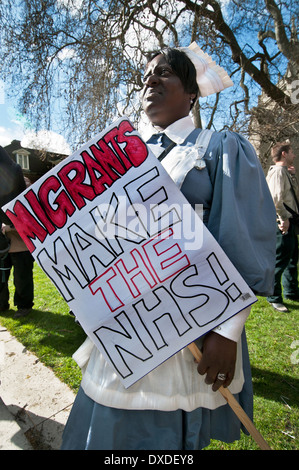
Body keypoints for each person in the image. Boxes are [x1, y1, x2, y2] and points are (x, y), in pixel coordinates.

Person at [61, 43, 276, 450]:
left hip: (192, 325)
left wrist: (227, 332)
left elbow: (241, 238)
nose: (152, 81)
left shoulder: (221, 147)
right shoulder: (120, 158)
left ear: (191, 92)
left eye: (165, 73)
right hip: (126, 322)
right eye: (146, 76)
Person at [0, 147, 34, 317]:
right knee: (2, 277)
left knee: (22, 279)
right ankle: (1, 304)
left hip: (20, 243)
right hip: (4, 243)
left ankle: (24, 306)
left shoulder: (23, 185)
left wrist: (10, 226)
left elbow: (26, 213)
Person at [266, 142, 299, 312]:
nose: (294, 154)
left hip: (290, 220)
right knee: (280, 260)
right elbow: (276, 199)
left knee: (292, 259)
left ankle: (292, 292)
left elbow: (290, 196)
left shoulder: (284, 173)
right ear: (284, 154)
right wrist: (282, 218)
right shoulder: (278, 172)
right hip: (283, 220)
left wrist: (292, 177)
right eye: (292, 151)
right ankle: (274, 297)